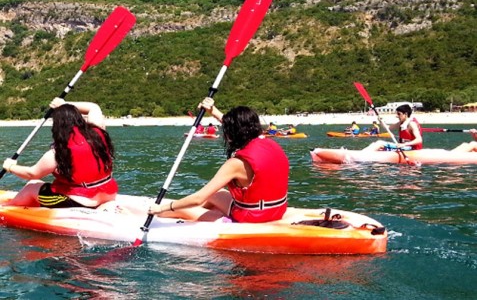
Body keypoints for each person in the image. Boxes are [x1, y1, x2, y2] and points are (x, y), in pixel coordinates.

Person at [148, 97, 289, 223]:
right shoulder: (269, 143)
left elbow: (199, 198)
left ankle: (161, 215)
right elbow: (239, 127)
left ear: (232, 134)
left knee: (181, 210)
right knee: (217, 194)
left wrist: (162, 208)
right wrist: (213, 111)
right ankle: (207, 214)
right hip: (276, 210)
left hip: (253, 217)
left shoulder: (235, 164)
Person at [2, 98, 117, 208]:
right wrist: (64, 104)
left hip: (82, 201)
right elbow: (94, 107)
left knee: (32, 186)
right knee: (38, 183)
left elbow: (32, 174)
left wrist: (10, 166)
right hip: (109, 194)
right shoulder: (98, 133)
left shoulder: (59, 152)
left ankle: (7, 208)